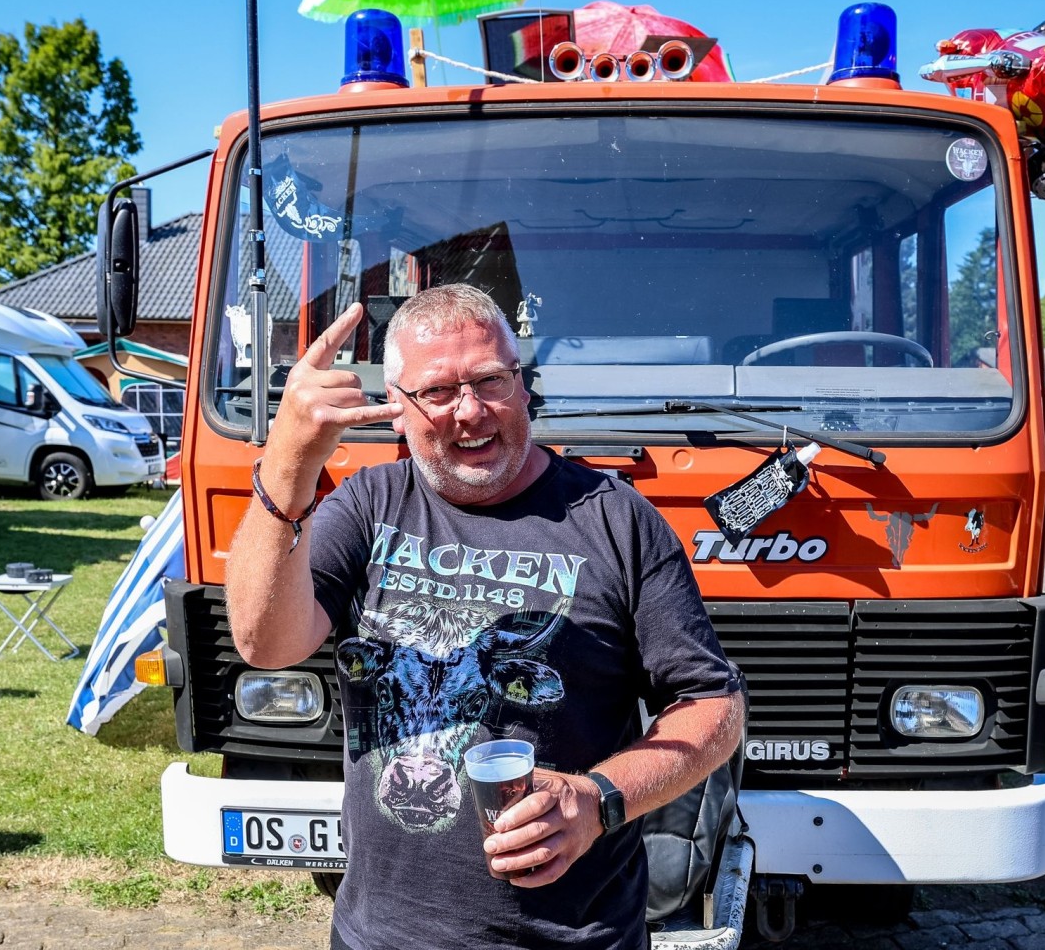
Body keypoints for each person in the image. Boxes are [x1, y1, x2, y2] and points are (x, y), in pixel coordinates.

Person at [226, 284, 745, 950]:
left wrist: (597, 800)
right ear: (399, 408)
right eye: (439, 392)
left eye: (490, 381)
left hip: (575, 938)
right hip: (380, 936)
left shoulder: (618, 521)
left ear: (522, 386)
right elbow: (265, 643)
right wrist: (288, 465)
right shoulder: (369, 503)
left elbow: (712, 706)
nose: (470, 412)